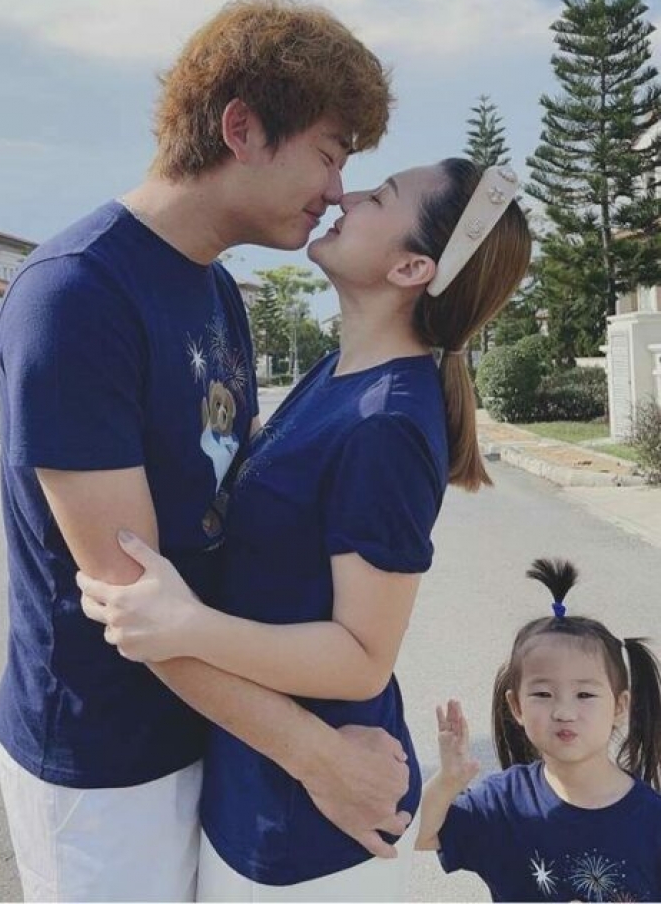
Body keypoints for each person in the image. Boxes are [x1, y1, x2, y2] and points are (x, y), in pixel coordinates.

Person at [0, 0, 412, 904]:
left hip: (219, 737)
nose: (337, 192)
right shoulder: (77, 296)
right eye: (330, 154)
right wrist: (319, 757)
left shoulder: (216, 290)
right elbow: (135, 606)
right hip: (105, 765)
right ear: (242, 127)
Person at [78, 158, 533, 900]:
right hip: (262, 785)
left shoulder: (388, 423)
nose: (347, 196)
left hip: (308, 832)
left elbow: (362, 658)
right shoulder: (338, 374)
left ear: (411, 267)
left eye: (382, 196)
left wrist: (188, 625)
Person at [415, 558, 661, 902]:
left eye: (585, 695)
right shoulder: (501, 803)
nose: (563, 712)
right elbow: (419, 835)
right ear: (516, 706)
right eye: (543, 694)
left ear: (620, 707)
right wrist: (447, 781)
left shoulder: (651, 821)